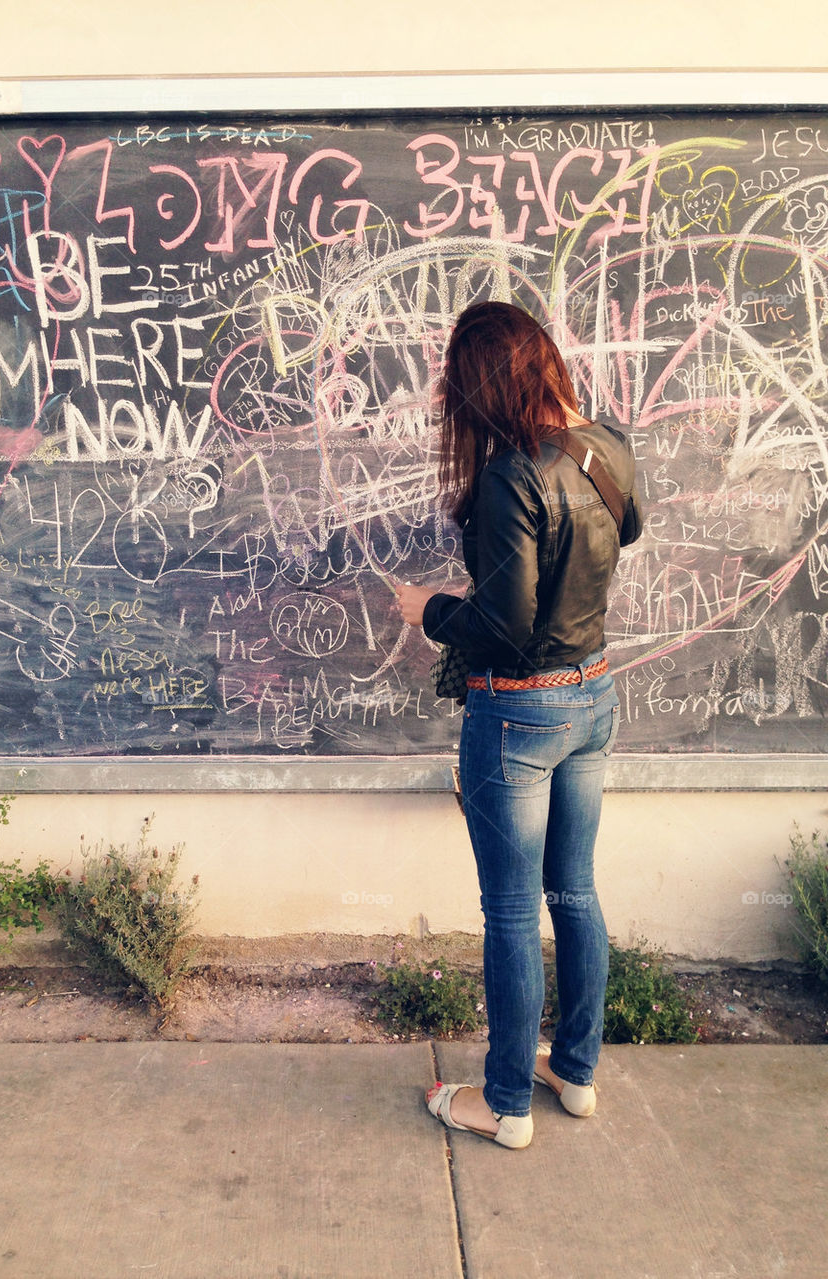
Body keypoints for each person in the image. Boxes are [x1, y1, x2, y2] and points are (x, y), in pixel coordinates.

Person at [395, 301, 643, 1149]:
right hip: (593, 697)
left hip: (520, 715)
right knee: (573, 889)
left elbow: (505, 627)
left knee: (510, 910)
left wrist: (427, 608)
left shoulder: (509, 477)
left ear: (481, 387)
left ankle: (503, 1104)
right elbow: (629, 525)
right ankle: (573, 1072)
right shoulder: (604, 442)